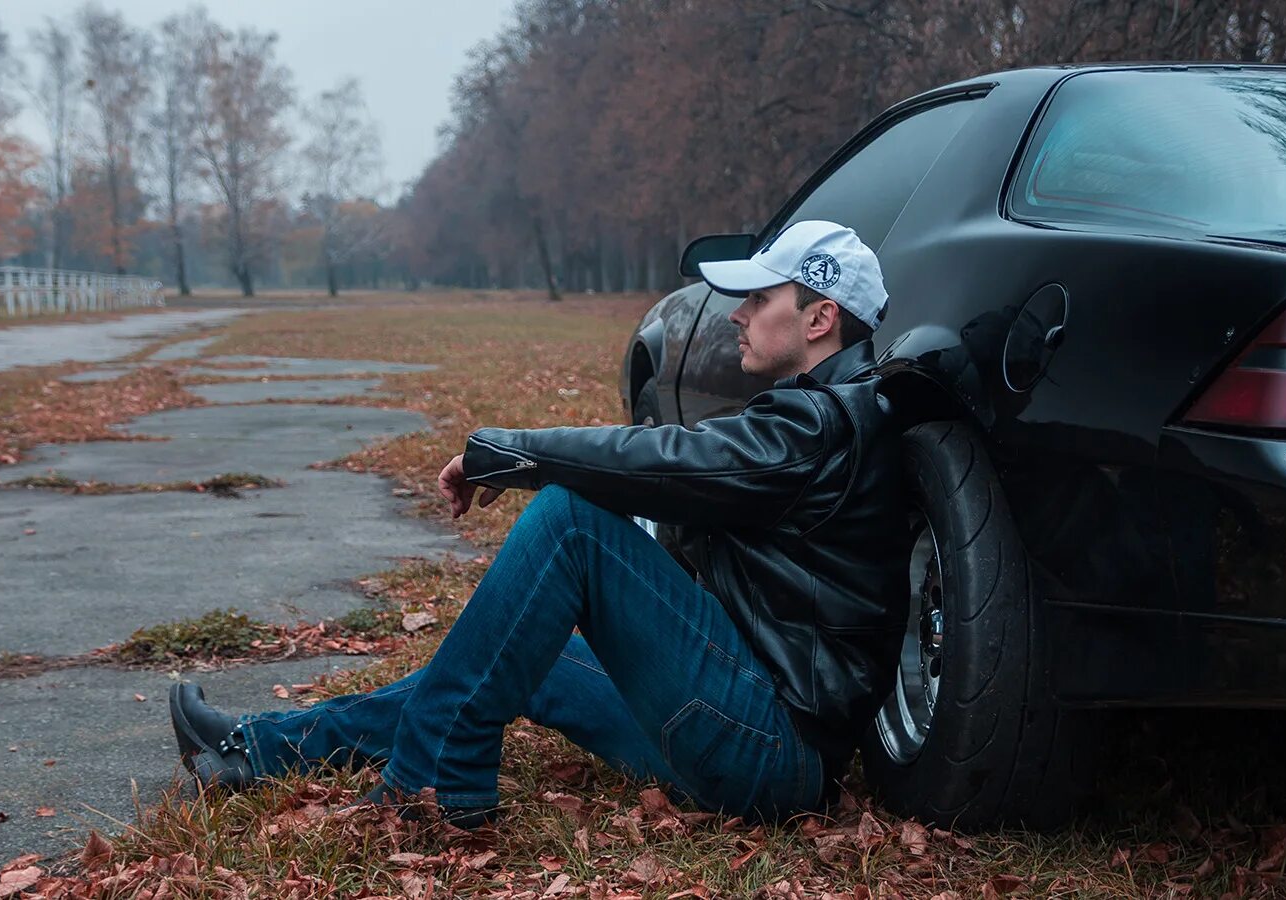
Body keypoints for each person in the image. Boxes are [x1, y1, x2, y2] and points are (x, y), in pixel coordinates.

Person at [168, 220, 912, 828]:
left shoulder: (823, 425)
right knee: (519, 653)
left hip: (768, 754)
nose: (737, 314)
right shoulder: (825, 422)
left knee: (568, 520)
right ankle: (255, 752)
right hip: (743, 728)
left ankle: (431, 788)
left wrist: (513, 455)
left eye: (759, 298)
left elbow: (666, 460)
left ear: (820, 317)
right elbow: (691, 499)